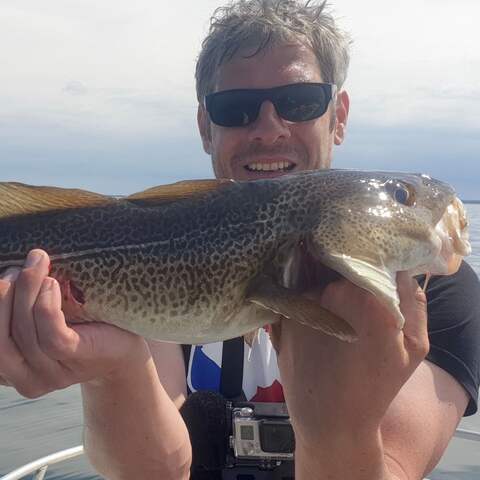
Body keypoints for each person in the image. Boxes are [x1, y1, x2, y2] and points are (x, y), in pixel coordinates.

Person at [0, 1, 479, 479]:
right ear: (206, 128)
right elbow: (155, 471)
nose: (269, 130)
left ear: (339, 116)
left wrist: (341, 434)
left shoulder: (438, 297)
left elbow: (394, 467)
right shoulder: (171, 243)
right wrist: (112, 367)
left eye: (300, 101)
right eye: (236, 109)